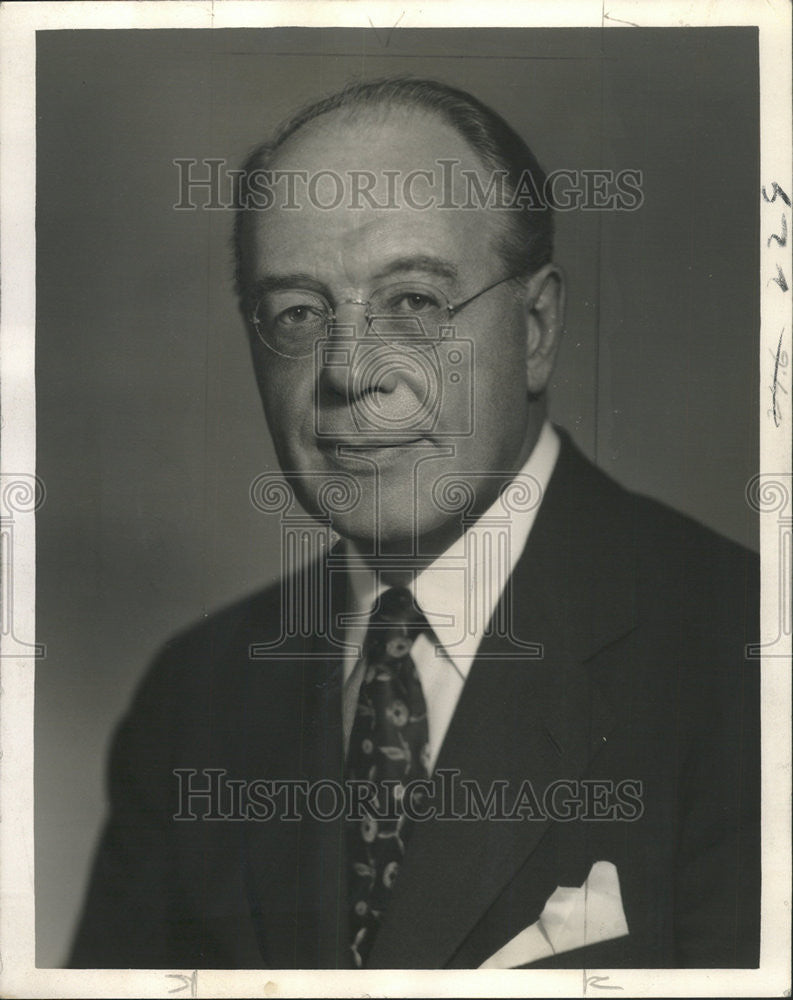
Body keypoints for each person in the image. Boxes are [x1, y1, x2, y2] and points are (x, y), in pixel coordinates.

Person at [69, 77, 760, 970]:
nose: (350, 373)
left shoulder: (743, 655)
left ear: (538, 328)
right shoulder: (194, 701)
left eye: (413, 303)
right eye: (298, 314)